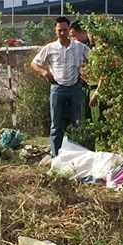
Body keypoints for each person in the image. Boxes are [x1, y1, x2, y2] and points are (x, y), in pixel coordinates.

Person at [31, 16, 90, 157]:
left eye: (65, 30)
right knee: (56, 125)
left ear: (69, 30)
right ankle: (56, 158)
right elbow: (34, 63)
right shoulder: (50, 48)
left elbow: (94, 58)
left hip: (75, 87)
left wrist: (86, 73)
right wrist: (45, 72)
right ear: (55, 31)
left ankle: (77, 156)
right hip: (57, 88)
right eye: (59, 30)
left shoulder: (79, 47)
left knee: (77, 125)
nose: (62, 33)